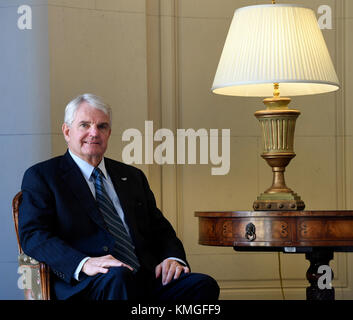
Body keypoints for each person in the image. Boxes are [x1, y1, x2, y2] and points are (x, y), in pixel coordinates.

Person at [18, 93, 219, 300]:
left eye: (102, 126)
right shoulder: (43, 176)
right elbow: (33, 235)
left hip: (145, 277)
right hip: (88, 282)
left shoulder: (132, 176)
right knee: (118, 278)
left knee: (203, 285)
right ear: (67, 131)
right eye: (85, 125)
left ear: (109, 133)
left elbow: (160, 229)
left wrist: (173, 258)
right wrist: (84, 263)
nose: (94, 133)